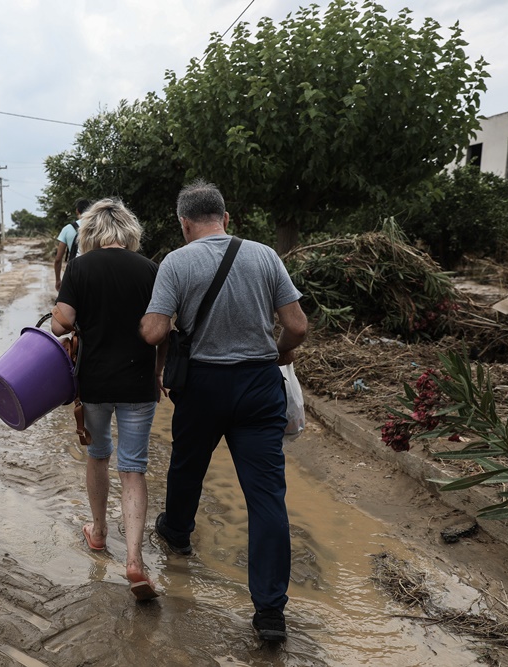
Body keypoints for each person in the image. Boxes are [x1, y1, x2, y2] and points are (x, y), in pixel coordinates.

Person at [139, 180, 308, 641]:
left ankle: (176, 531)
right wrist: (281, 353)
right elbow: (296, 324)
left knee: (187, 463)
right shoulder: (264, 255)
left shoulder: (176, 262)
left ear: (184, 224)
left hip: (203, 386)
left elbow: (154, 333)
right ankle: (271, 613)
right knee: (267, 495)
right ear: (226, 219)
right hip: (258, 384)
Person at [51, 198, 164, 601]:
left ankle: (98, 534)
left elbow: (61, 322)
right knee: (133, 468)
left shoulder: (80, 267)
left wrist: (64, 314)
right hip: (138, 383)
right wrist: (158, 370)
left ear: (90, 232)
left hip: (94, 382)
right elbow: (164, 326)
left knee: (98, 455)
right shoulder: (150, 269)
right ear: (128, 231)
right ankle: (134, 559)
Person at [53, 198, 91, 291]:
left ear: (77, 211)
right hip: (93, 272)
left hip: (74, 273)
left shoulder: (67, 229)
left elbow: (58, 259)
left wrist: (58, 280)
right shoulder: (97, 227)